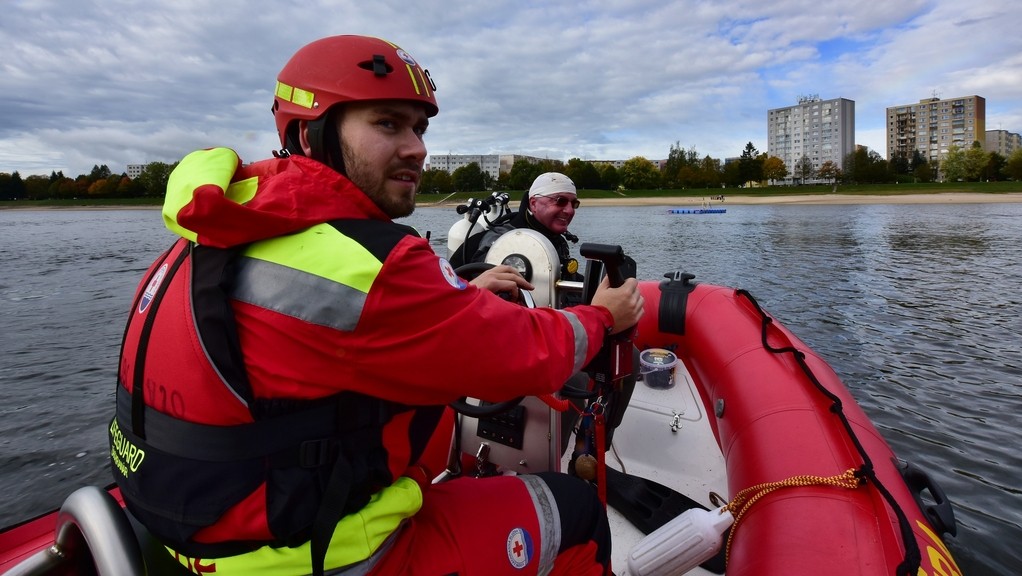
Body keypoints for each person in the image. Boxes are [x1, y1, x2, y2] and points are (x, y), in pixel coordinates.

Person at [108, 35, 643, 576]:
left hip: (197, 537)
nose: (417, 148)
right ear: (307, 134)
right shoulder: (372, 263)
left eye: (420, 128)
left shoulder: (201, 238)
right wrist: (603, 316)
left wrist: (461, 300)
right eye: (388, 124)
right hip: (319, 555)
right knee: (574, 514)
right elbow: (529, 355)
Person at [468, 172, 584, 288]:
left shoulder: (556, 239)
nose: (570, 211)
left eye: (574, 204)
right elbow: (482, 278)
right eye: (560, 201)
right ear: (533, 204)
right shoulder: (504, 239)